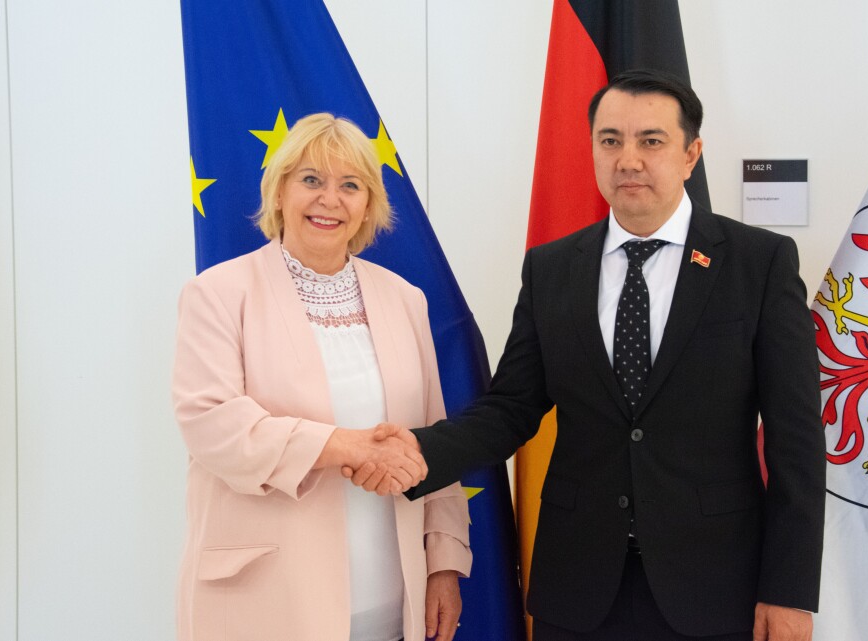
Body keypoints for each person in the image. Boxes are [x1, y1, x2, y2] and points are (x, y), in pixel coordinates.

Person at [350, 70, 825, 641]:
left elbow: (796, 438)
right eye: (610, 140)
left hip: (715, 587)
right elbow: (511, 408)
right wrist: (418, 452)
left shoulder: (758, 262)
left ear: (691, 154)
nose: (628, 159)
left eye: (651, 141)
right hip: (577, 591)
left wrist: (790, 591)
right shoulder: (552, 269)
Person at [172, 112, 471, 641]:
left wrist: (445, 564)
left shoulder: (405, 300)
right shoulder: (218, 294)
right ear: (280, 192)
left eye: (350, 185)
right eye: (311, 180)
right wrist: (347, 446)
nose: (330, 199)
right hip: (264, 601)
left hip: (390, 597)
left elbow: (434, 440)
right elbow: (212, 423)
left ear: (367, 207)